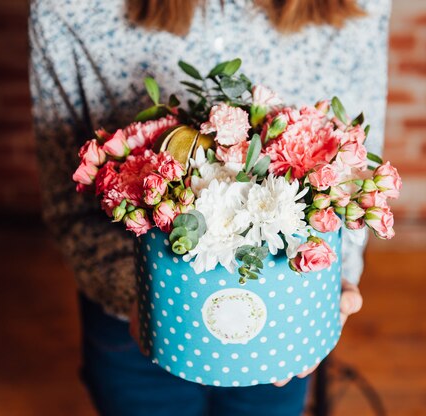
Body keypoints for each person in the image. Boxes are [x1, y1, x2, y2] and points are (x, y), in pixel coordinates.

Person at [29, 0, 390, 414]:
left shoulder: (360, 5)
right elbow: (69, 205)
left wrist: (333, 287)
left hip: (283, 327)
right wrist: (139, 297)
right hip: (136, 336)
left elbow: (356, 171)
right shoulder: (71, 8)